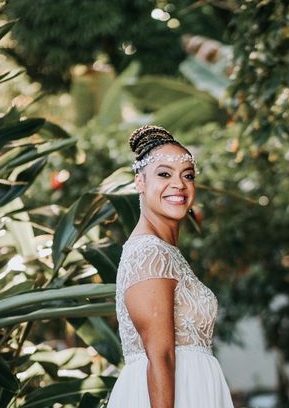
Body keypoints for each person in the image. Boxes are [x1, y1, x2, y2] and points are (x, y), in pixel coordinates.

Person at [106, 125, 234, 408]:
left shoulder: (166, 252)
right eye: (164, 174)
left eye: (187, 176)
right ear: (140, 182)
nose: (179, 184)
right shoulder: (150, 253)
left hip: (194, 391)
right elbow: (160, 356)